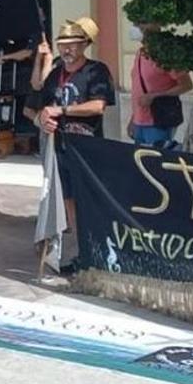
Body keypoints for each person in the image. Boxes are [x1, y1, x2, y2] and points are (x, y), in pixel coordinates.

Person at [34, 17, 115, 234]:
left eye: (71, 44)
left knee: (88, 194)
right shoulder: (55, 73)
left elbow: (98, 105)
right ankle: (81, 244)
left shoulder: (96, 70)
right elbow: (45, 106)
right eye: (62, 44)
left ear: (83, 45)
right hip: (60, 145)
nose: (66, 49)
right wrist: (44, 119)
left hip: (86, 146)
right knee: (67, 194)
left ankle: (95, 240)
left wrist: (62, 110)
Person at [127, 23, 192, 148]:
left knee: (156, 160)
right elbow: (138, 87)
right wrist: (133, 118)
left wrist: (155, 96)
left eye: (139, 25)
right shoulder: (140, 54)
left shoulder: (166, 56)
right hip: (139, 121)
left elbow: (186, 85)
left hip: (158, 120)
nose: (135, 28)